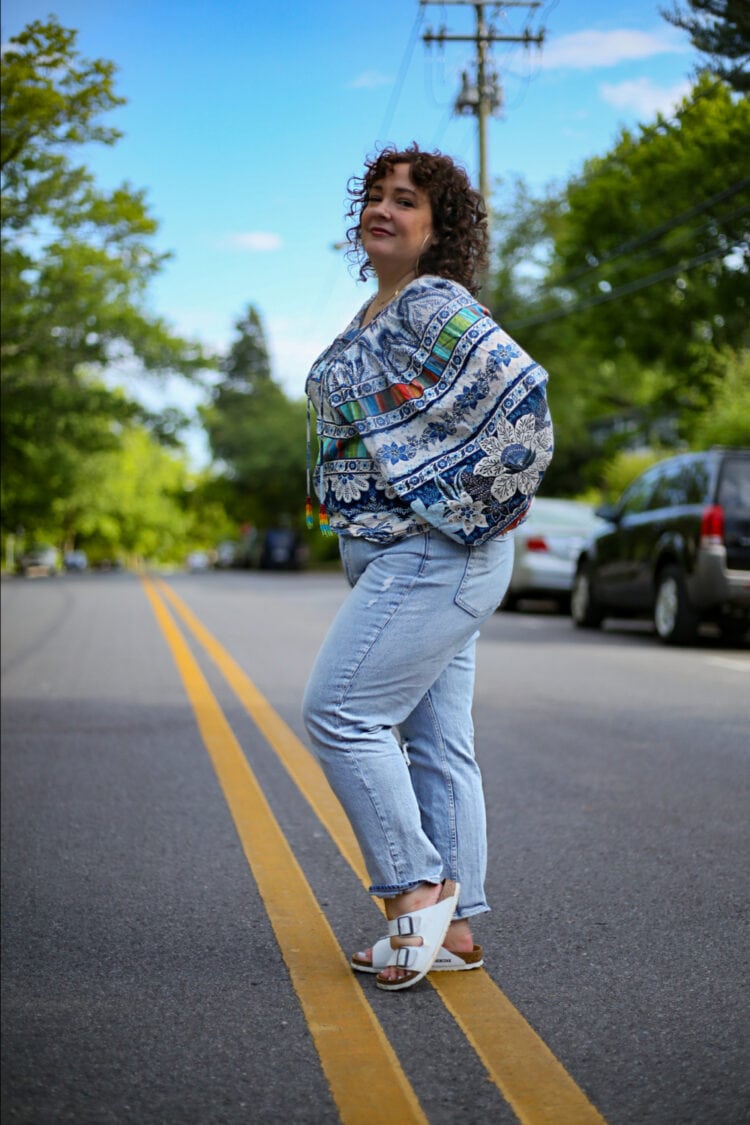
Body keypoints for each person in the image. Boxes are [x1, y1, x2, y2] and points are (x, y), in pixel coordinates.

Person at [302, 144, 553, 991]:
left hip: (436, 551)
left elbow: (523, 398)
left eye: (406, 201)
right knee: (438, 740)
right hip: (405, 554)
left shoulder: (430, 303)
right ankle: (457, 931)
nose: (384, 208)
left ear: (437, 230)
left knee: (338, 711)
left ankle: (418, 890)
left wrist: (472, 509)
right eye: (375, 195)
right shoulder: (377, 312)